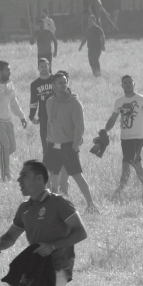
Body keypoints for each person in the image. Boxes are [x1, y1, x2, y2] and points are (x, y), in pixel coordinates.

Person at [102, 74, 143, 197]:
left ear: (134, 84)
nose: (128, 84)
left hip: (137, 138)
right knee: (136, 164)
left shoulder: (141, 99)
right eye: (125, 83)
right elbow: (113, 118)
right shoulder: (119, 101)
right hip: (125, 138)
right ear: (121, 85)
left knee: (127, 165)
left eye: (130, 82)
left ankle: (119, 191)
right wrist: (105, 130)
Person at [44, 71, 97, 213]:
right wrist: (49, 139)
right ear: (53, 85)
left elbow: (79, 126)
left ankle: (91, 205)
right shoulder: (49, 102)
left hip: (68, 145)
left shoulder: (74, 103)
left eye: (65, 82)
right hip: (53, 145)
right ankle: (49, 204)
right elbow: (49, 123)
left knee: (77, 175)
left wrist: (75, 145)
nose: (63, 85)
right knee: (45, 174)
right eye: (60, 83)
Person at [0, 60, 27, 182]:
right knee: (5, 146)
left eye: (9, 69)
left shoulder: (9, 84)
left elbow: (13, 102)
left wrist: (21, 116)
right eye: (7, 70)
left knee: (12, 147)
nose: (10, 72)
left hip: (8, 120)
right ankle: (6, 174)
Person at [29, 58, 55, 156]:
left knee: (58, 141)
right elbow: (33, 102)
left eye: (45, 66)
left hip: (57, 114)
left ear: (49, 66)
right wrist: (32, 116)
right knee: (45, 142)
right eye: (41, 66)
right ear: (38, 68)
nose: (44, 68)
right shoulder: (34, 84)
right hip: (44, 116)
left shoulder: (56, 79)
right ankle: (47, 162)